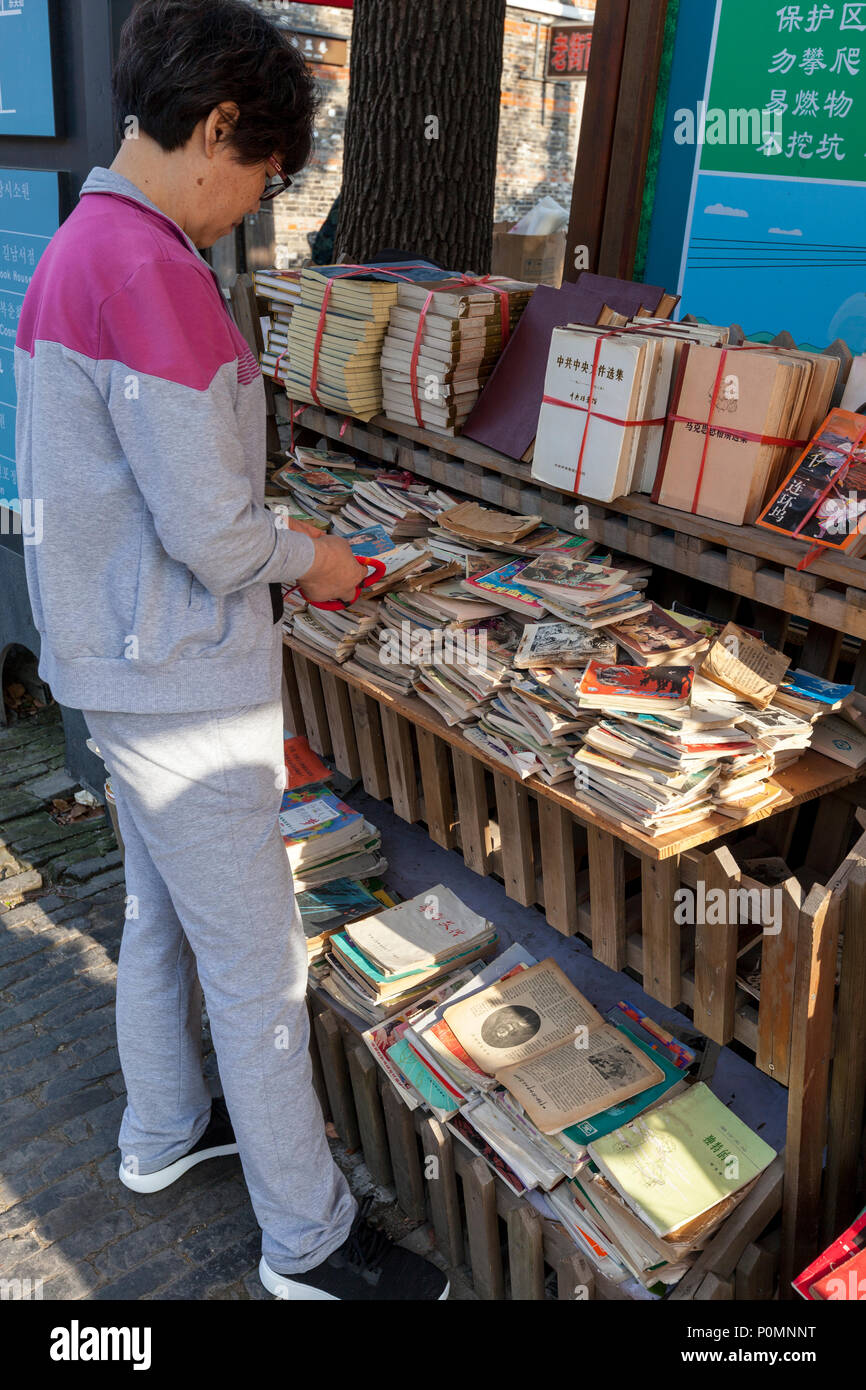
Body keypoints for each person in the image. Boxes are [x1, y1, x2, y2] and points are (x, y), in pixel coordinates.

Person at [14, 0, 447, 1302]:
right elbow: (212, 528)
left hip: (107, 658)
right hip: (183, 676)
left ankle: (158, 1133)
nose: (252, 200)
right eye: (262, 171)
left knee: (158, 912)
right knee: (259, 968)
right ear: (217, 129)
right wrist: (314, 556)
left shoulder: (76, 246)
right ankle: (306, 1240)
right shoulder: (153, 272)